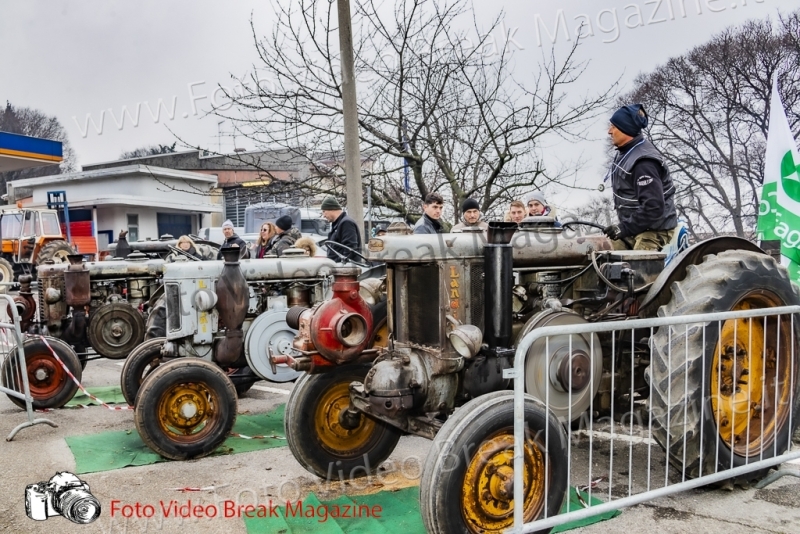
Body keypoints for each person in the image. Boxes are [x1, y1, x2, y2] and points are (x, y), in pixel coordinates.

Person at [603, 104, 677, 251]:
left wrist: (623, 228)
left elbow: (653, 207)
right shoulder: (626, 152)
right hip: (634, 227)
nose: (609, 131)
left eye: (614, 127)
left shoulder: (643, 163)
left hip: (654, 230)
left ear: (626, 129)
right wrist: (622, 228)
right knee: (600, 254)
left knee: (636, 270)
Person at [320, 195, 362, 262]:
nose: (324, 215)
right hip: (340, 268)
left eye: (324, 211)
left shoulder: (346, 223)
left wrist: (338, 263)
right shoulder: (339, 224)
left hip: (344, 269)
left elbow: (350, 249)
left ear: (332, 209)